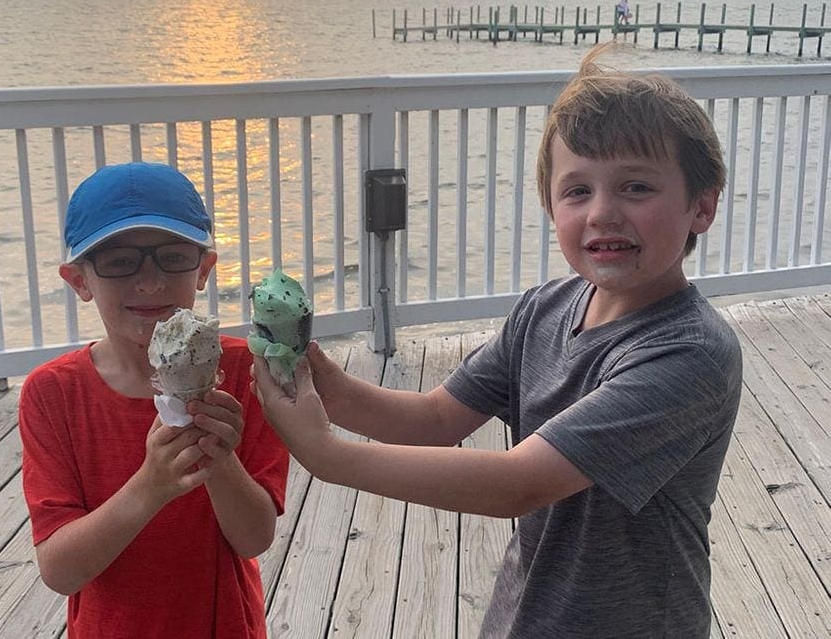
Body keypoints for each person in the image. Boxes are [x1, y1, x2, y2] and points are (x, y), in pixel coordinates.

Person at [252, 46, 742, 638]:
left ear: (703, 206)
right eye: (577, 190)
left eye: (636, 187)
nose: (603, 213)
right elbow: (435, 417)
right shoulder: (545, 309)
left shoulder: (690, 353)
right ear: (550, 204)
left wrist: (327, 454)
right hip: (527, 612)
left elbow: (518, 483)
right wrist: (319, 375)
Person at [19, 162, 288, 638]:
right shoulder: (53, 394)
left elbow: (254, 537)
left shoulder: (246, 372)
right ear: (79, 281)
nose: (149, 281)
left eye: (171, 256)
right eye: (119, 261)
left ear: (203, 269)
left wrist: (220, 459)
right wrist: (150, 486)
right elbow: (60, 571)